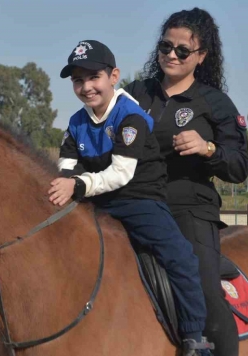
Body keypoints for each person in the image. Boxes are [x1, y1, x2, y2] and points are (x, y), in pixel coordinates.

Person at [48, 39, 212, 356]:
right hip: (96, 201)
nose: (86, 87)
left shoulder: (129, 117)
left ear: (113, 76)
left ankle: (195, 338)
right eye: (78, 80)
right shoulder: (76, 122)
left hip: (138, 199)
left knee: (181, 256)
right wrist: (64, 185)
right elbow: (66, 166)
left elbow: (120, 174)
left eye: (94, 77)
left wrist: (76, 186)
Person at [123, 7, 248, 356]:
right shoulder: (135, 93)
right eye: (166, 46)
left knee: (206, 296)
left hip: (188, 209)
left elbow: (241, 165)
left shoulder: (215, 103)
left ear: (201, 57)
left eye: (183, 50)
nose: (171, 55)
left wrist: (207, 148)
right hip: (131, 202)